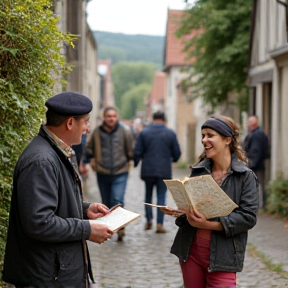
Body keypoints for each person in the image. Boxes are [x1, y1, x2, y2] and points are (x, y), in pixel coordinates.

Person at [2, 92, 114, 288]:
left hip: (54, 272)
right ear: (70, 123)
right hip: (46, 276)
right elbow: (39, 222)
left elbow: (53, 204)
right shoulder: (41, 161)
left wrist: (84, 209)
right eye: (85, 122)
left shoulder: (55, 152)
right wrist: (86, 229)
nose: (88, 128)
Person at [167, 116, 258, 288]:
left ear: (227, 140)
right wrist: (183, 212)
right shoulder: (199, 170)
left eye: (210, 135)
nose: (204, 140)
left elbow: (248, 217)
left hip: (223, 256)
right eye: (203, 135)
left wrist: (209, 225)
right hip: (190, 252)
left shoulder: (245, 176)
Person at [83, 106, 134, 241]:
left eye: (113, 116)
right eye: (108, 116)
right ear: (104, 117)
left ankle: (120, 227)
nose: (111, 118)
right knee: (106, 203)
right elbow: (89, 149)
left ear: (117, 117)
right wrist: (86, 161)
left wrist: (131, 159)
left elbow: (130, 149)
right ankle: (109, 228)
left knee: (117, 199)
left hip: (120, 171)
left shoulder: (124, 131)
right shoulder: (96, 132)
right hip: (102, 171)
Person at [133, 111, 181, 233]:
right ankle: (160, 224)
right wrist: (173, 159)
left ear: (153, 119)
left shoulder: (144, 132)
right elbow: (177, 153)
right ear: (164, 119)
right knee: (161, 197)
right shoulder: (170, 133)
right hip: (164, 170)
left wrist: (135, 162)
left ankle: (149, 219)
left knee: (148, 195)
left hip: (148, 169)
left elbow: (137, 151)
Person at [242, 115, 270, 209]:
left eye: (249, 123)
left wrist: (251, 165)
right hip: (258, 165)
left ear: (253, 124)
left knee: (257, 185)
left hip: (256, 166)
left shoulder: (256, 135)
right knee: (259, 184)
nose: (247, 125)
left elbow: (256, 151)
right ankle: (261, 205)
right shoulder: (257, 133)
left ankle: (259, 205)